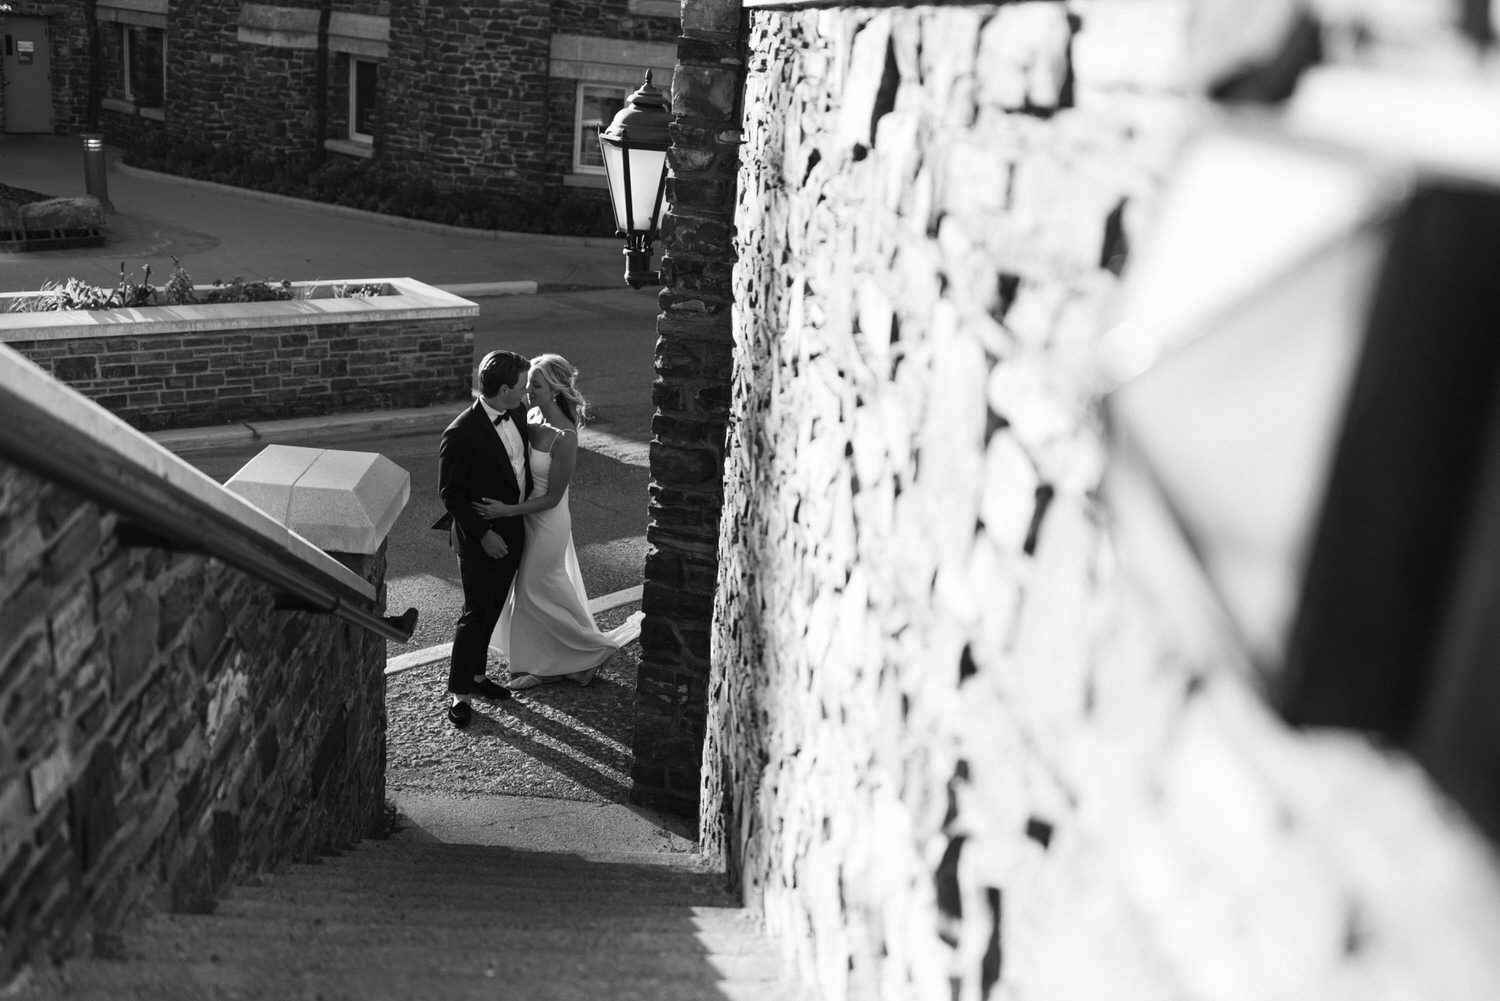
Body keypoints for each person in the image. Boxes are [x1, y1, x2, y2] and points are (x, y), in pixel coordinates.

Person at [472, 354, 622, 690]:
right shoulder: (530, 415)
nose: (527, 391)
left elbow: (553, 498)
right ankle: (559, 661)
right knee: (535, 592)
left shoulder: (565, 436)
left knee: (536, 589)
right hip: (526, 518)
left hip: (548, 522)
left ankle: (592, 650)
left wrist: (505, 511)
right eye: (527, 385)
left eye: (535, 386)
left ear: (554, 389)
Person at [432, 349, 533, 729]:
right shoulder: (460, 432)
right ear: (504, 388)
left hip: (513, 530)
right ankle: (459, 693)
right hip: (479, 538)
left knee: (493, 607)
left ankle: (477, 675)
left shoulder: (518, 412)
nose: (525, 393)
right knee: (475, 613)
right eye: (521, 386)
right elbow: (450, 494)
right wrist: (485, 534)